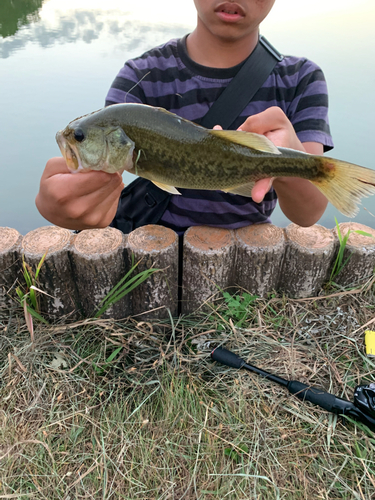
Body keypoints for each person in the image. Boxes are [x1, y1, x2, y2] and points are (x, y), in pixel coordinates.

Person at [36, 0, 332, 233]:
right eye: (80, 136)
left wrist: (289, 158)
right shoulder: (140, 77)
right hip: (152, 251)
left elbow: (309, 215)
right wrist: (65, 207)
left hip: (248, 256)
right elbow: (103, 192)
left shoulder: (301, 79)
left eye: (79, 136)